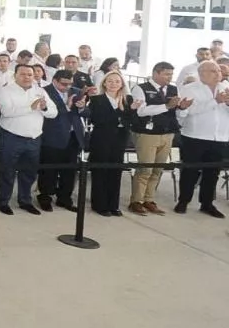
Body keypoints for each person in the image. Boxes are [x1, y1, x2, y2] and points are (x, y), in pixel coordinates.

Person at [0, 65, 58, 215]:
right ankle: (3, 202)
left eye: (30, 74)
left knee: (29, 172)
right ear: (15, 75)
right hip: (11, 136)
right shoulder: (5, 91)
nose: (27, 77)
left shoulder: (40, 91)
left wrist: (44, 108)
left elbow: (54, 113)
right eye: (22, 74)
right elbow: (7, 112)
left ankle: (25, 201)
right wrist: (31, 107)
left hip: (34, 138)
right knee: (7, 171)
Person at [173, 61, 229, 217]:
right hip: (195, 136)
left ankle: (207, 203)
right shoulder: (189, 89)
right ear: (202, 73)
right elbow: (187, 112)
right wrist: (215, 101)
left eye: (219, 70)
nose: (219, 73)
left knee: (213, 172)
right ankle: (183, 201)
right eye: (214, 70)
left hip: (220, 137)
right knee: (190, 170)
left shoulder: (225, 87)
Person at [128, 62, 180, 215]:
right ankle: (136, 201)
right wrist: (167, 106)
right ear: (156, 73)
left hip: (167, 133)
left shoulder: (172, 89)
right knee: (145, 169)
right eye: (166, 74)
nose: (169, 78)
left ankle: (149, 199)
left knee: (158, 169)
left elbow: (176, 111)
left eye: (171, 74)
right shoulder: (140, 88)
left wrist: (182, 107)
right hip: (147, 134)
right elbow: (141, 111)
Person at [86, 71, 135, 216]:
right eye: (110, 81)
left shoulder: (128, 99)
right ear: (104, 83)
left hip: (119, 139)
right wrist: (119, 115)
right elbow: (97, 119)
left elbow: (131, 121)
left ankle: (113, 205)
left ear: (122, 84)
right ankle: (100, 205)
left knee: (115, 171)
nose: (114, 84)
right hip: (101, 139)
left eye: (117, 81)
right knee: (100, 171)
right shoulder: (97, 99)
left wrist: (131, 111)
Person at [39, 69, 88, 212]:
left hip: (73, 136)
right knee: (48, 170)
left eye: (69, 84)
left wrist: (81, 108)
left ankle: (64, 198)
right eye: (63, 84)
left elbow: (87, 113)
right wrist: (66, 106)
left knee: (69, 171)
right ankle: (45, 197)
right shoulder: (44, 91)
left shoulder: (77, 91)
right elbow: (48, 113)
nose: (67, 87)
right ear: (54, 80)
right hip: (52, 135)